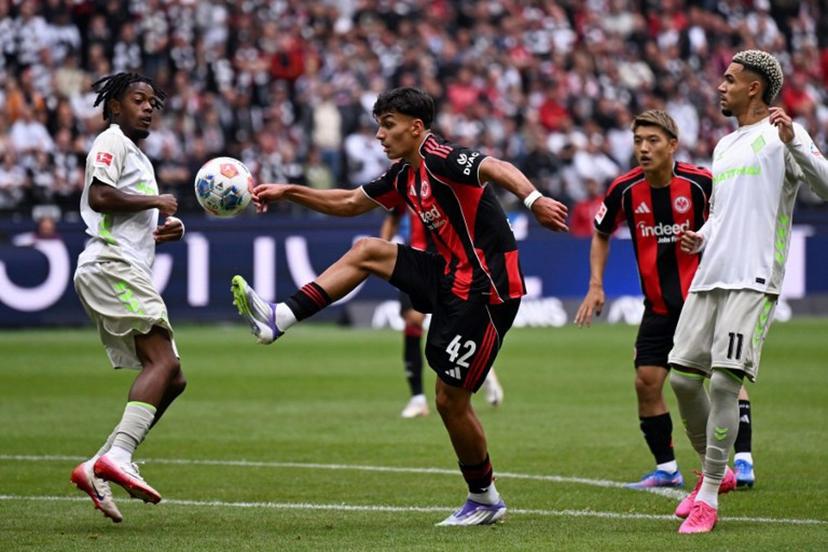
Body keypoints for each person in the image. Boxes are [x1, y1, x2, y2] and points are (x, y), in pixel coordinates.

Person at [231, 87, 568, 526]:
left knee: (449, 401)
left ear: (416, 127)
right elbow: (352, 203)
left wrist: (534, 200)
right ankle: (281, 316)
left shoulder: (443, 158)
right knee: (369, 249)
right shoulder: (403, 175)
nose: (379, 134)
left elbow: (496, 166)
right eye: (379, 125)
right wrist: (290, 191)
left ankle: (484, 499)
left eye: (388, 124)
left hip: (487, 290)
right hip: (449, 276)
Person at [668, 50, 828, 534]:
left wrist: (794, 144)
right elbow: (720, 214)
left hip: (753, 279)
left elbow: (825, 186)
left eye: (729, 79)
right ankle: (715, 468)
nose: (720, 86)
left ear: (754, 88)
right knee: (680, 379)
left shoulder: (786, 133)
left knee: (722, 383)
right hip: (710, 273)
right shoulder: (724, 145)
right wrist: (702, 237)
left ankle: (710, 494)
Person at [574, 110, 755, 491]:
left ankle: (742, 458)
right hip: (657, 306)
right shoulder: (624, 189)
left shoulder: (701, 183)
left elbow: (732, 220)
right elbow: (601, 232)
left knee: (723, 376)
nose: (643, 148)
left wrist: (706, 240)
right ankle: (667, 468)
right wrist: (595, 285)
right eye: (638, 140)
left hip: (704, 301)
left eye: (652, 140)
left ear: (673, 144)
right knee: (647, 382)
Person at [70, 73, 187, 523]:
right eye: (138, 99)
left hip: (127, 265)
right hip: (110, 265)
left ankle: (98, 464)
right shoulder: (112, 139)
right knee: (164, 365)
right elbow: (99, 196)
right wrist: (155, 200)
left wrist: (163, 227)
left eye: (153, 101)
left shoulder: (135, 153)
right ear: (115, 106)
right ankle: (118, 456)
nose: (148, 107)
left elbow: (124, 209)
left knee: (173, 380)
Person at [379, 205, 504, 418]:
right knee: (412, 320)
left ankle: (481, 369)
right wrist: (383, 250)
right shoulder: (402, 181)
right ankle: (418, 399)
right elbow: (392, 218)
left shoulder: (438, 180)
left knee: (448, 326)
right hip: (414, 260)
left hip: (444, 260)